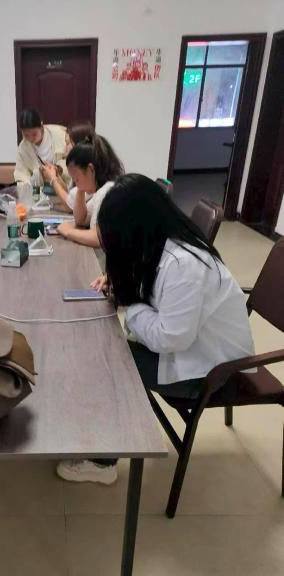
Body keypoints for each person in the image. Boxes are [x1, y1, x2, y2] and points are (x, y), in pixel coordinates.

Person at [57, 174, 255, 485]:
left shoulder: (185, 265)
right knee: (103, 346)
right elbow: (156, 289)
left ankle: (103, 462)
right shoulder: (163, 242)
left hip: (207, 369)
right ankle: (97, 435)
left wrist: (129, 303)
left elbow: (169, 338)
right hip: (193, 347)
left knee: (108, 361)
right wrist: (123, 284)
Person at [55, 138, 124, 247]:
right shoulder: (102, 191)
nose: (76, 184)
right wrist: (80, 189)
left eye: (76, 179)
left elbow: (98, 238)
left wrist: (68, 232)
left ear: (90, 169)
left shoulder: (107, 191)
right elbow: (81, 220)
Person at [40, 122, 96, 210]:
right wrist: (56, 175)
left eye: (67, 143)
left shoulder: (87, 170)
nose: (64, 149)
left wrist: (52, 179)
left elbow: (71, 206)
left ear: (78, 145)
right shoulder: (79, 168)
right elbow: (69, 194)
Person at [14, 108, 70, 186]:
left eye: (34, 134)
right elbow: (21, 175)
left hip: (65, 186)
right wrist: (38, 175)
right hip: (40, 190)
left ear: (41, 126)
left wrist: (59, 168)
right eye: (26, 135)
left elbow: (73, 160)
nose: (30, 139)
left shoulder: (60, 135)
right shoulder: (23, 148)